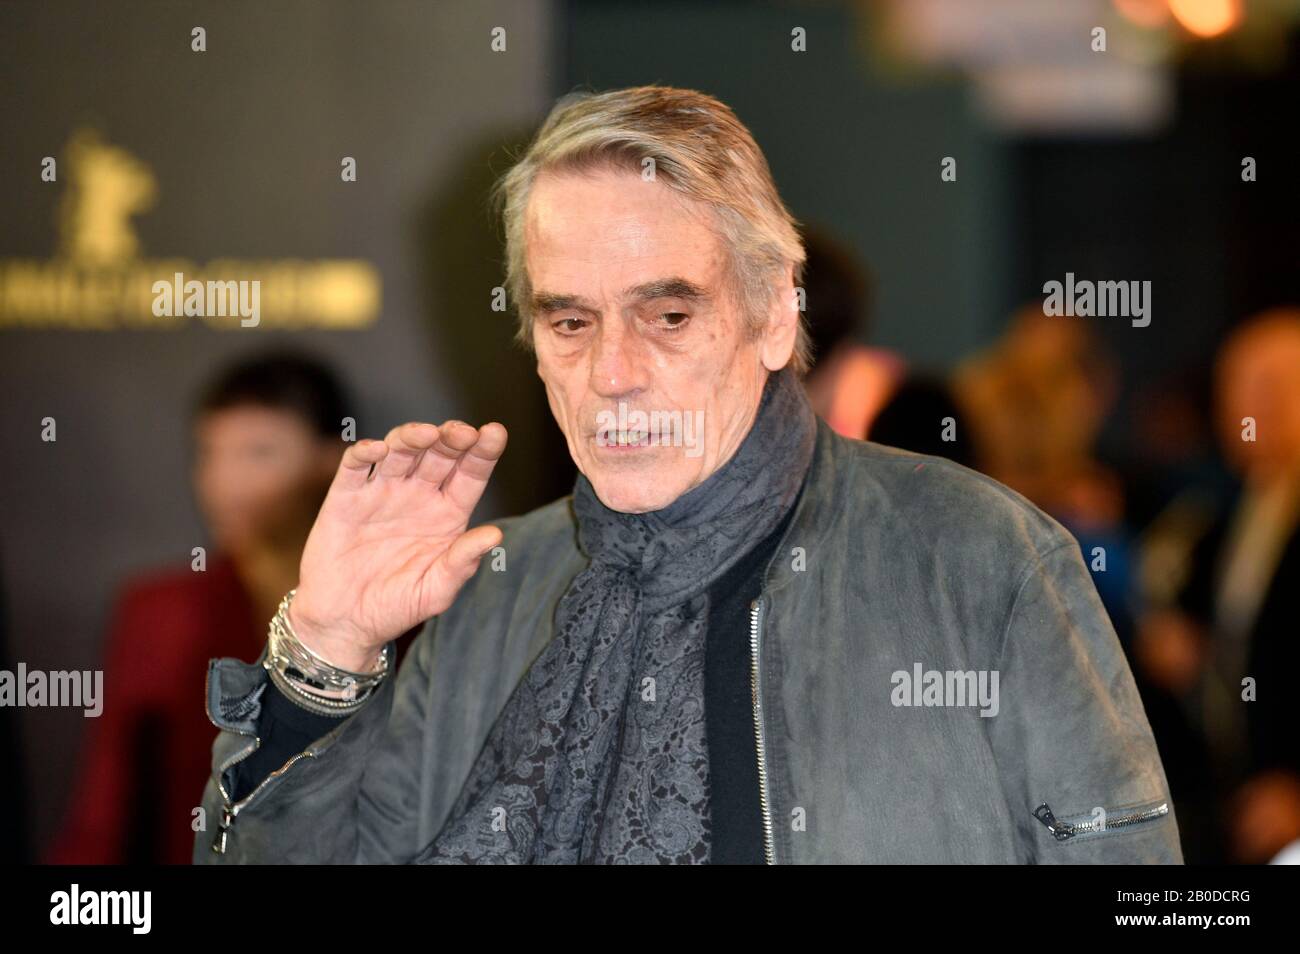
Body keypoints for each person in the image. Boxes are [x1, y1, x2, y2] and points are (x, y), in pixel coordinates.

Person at [196, 86, 1180, 864]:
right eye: (570, 321)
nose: (612, 374)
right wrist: (322, 658)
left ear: (774, 316)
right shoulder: (488, 594)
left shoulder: (977, 560)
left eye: (667, 316)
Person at [48, 353, 371, 864]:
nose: (223, 482)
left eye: (258, 453)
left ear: (331, 459)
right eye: (209, 454)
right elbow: (101, 817)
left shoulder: (393, 615)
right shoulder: (158, 612)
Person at [1134, 309, 1300, 864]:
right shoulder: (1227, 507)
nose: (1248, 407)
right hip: (1229, 802)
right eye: (1237, 385)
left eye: (1272, 385)